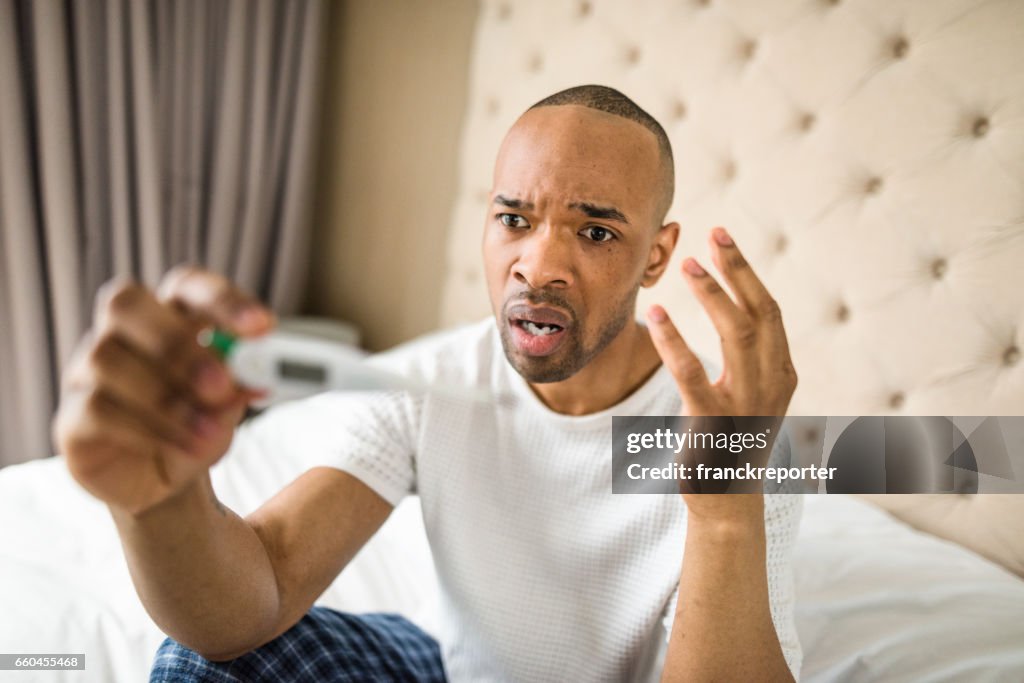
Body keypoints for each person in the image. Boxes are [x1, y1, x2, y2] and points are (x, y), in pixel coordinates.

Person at [54, 85, 802, 682]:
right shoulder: (429, 381)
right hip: (445, 668)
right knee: (205, 660)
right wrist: (159, 500)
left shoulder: (736, 433)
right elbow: (263, 584)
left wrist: (725, 515)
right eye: (514, 218)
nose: (537, 266)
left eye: (597, 231)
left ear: (655, 255)